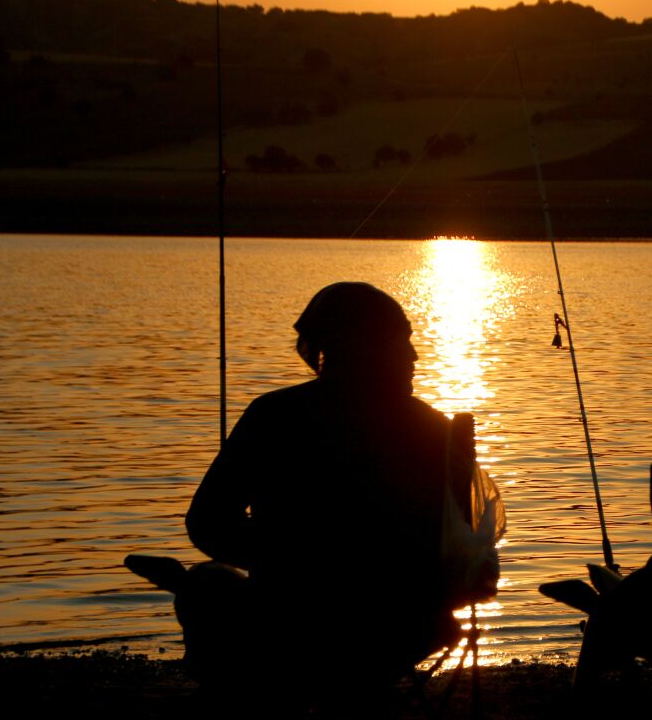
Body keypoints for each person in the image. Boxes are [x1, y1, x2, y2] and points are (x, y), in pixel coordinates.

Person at [178, 281, 473, 694]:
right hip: (406, 629)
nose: (414, 356)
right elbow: (469, 544)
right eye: (399, 343)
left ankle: (255, 702)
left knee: (206, 584)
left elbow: (206, 522)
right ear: (365, 348)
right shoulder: (436, 429)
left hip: (290, 621)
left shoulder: (272, 416)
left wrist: (277, 557)